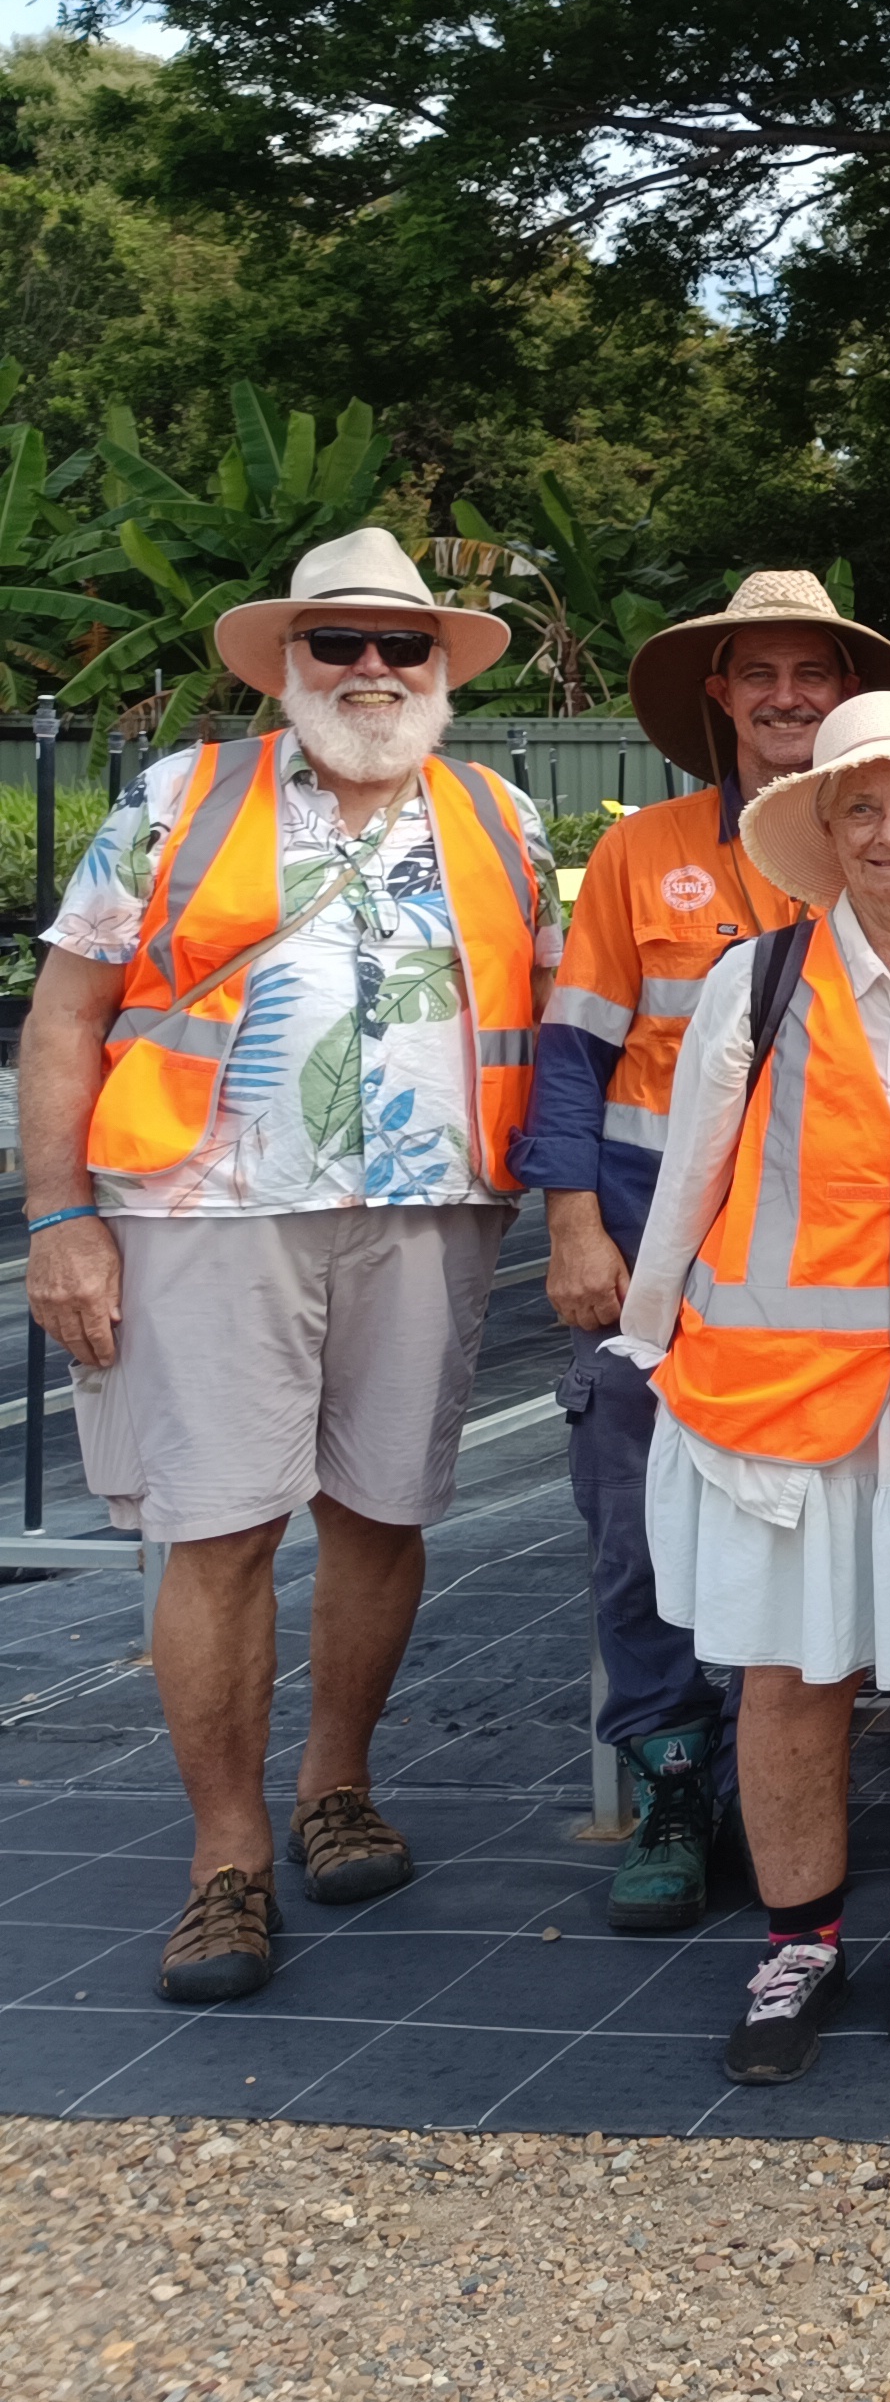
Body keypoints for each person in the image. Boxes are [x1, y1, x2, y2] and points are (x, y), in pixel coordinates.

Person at [19, 529, 553, 2003]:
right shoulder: (181, 800)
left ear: (440, 667)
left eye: (404, 646)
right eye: (341, 644)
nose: (374, 669)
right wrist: (58, 1219)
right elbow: (66, 1018)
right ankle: (225, 1854)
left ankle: (336, 1784)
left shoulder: (501, 816)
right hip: (208, 1208)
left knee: (383, 1510)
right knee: (221, 1525)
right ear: (287, 664)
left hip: (432, 1210)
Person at [622, 696, 890, 2084]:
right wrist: (650, 1353)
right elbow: (687, 1185)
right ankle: (798, 1940)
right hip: (777, 1403)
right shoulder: (751, 988)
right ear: (823, 833)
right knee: (790, 1676)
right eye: (861, 808)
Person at [520, 568, 890, 1934]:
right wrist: (572, 1223)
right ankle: (674, 1778)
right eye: (761, 674)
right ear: (721, 696)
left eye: (811, 674)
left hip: (826, 1256)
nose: (788, 698)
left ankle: (793, 1778)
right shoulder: (648, 855)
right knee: (637, 1515)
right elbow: (571, 1053)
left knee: (800, 1521)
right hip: (654, 1240)